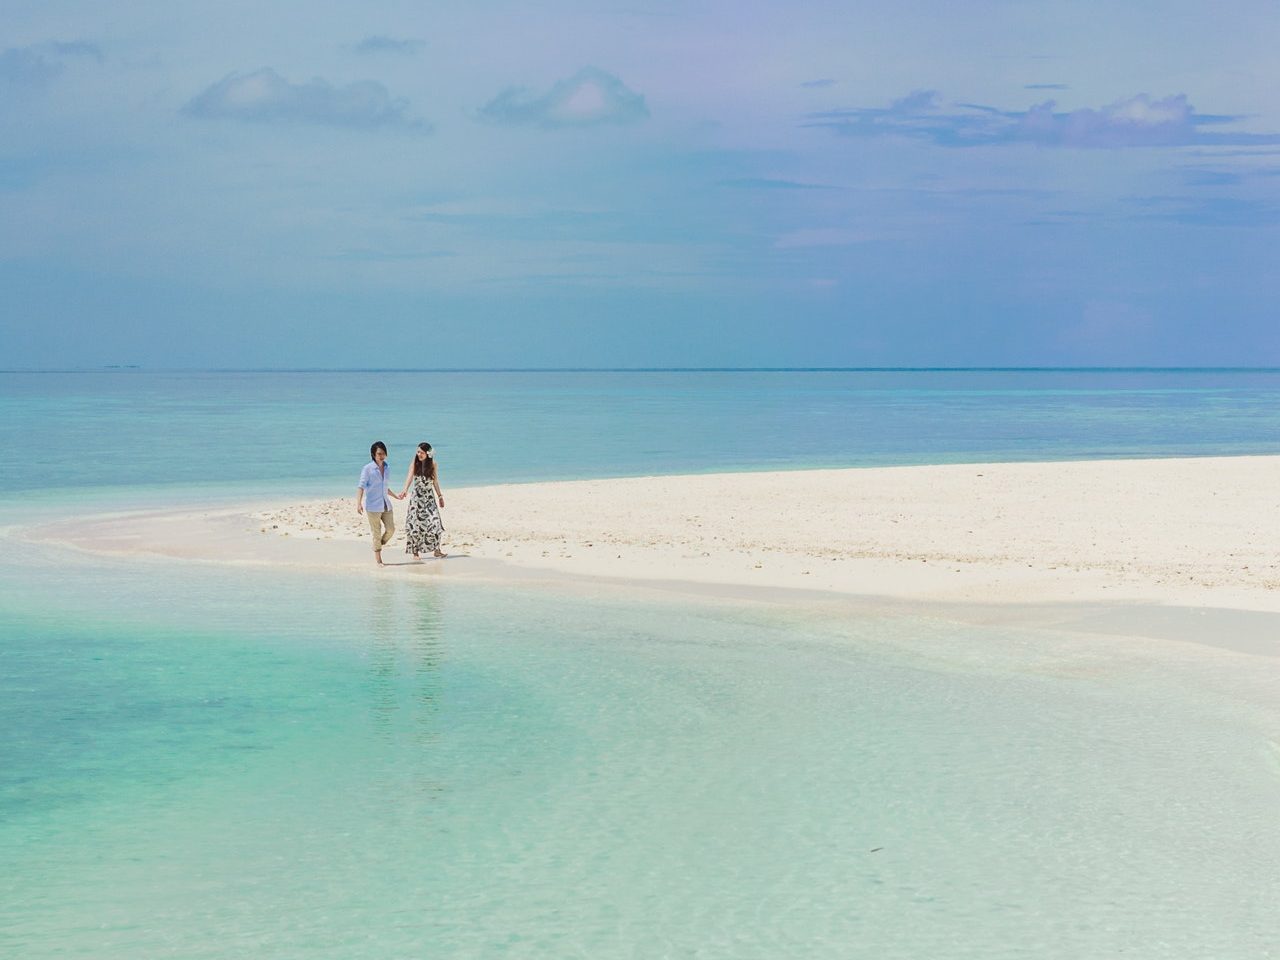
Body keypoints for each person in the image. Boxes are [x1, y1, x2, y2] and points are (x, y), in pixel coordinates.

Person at [356, 441, 403, 565]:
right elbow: (361, 486)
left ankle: (379, 544)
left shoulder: (387, 468)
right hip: (372, 507)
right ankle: (379, 560)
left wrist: (395, 496)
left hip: (386, 504)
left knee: (391, 529)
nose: (382, 456)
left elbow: (385, 487)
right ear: (373, 454)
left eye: (383, 453)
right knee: (376, 533)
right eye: (379, 454)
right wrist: (358, 503)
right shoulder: (367, 469)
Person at [399, 441, 447, 559]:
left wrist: (440, 496)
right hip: (417, 499)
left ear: (427, 453)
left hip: (430, 498)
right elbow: (409, 477)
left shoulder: (433, 464)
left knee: (435, 523)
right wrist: (405, 490)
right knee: (415, 525)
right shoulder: (415, 464)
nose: (419, 454)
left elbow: (435, 481)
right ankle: (415, 552)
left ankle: (437, 550)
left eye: (421, 452)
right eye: (418, 452)